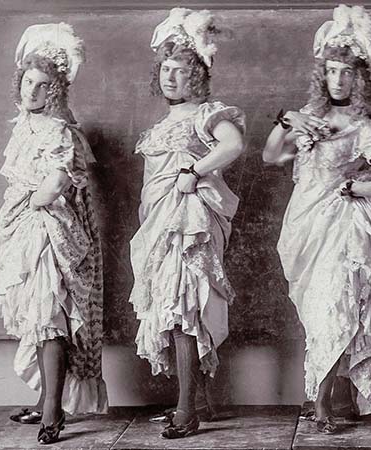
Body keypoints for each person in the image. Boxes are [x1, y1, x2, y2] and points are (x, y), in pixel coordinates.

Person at [263, 4, 371, 435]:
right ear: (322, 75)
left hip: (343, 226)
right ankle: (326, 396)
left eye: (347, 72)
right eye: (331, 71)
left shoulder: (363, 127)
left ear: (358, 78)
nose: (339, 79)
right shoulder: (308, 117)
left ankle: (323, 402)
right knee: (317, 312)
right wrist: (287, 120)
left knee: (336, 307)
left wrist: (355, 188)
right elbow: (271, 155)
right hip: (305, 225)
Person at [128, 8, 246, 440]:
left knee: (186, 308)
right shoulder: (161, 127)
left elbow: (233, 145)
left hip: (191, 224)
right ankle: (197, 400)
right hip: (160, 226)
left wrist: (194, 171)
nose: (170, 77)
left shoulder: (207, 114)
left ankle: (186, 410)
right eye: (165, 69)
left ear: (196, 75)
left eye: (180, 70)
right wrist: (147, 219)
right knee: (172, 307)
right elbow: (151, 184)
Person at [0, 23, 108, 444]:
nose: (32, 91)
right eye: (28, 81)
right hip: (26, 228)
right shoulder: (24, 126)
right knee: (38, 319)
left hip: (51, 229)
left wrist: (31, 201)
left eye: (42, 85)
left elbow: (57, 181)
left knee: (50, 316)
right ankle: (46, 402)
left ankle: (54, 411)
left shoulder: (58, 129)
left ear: (55, 90)